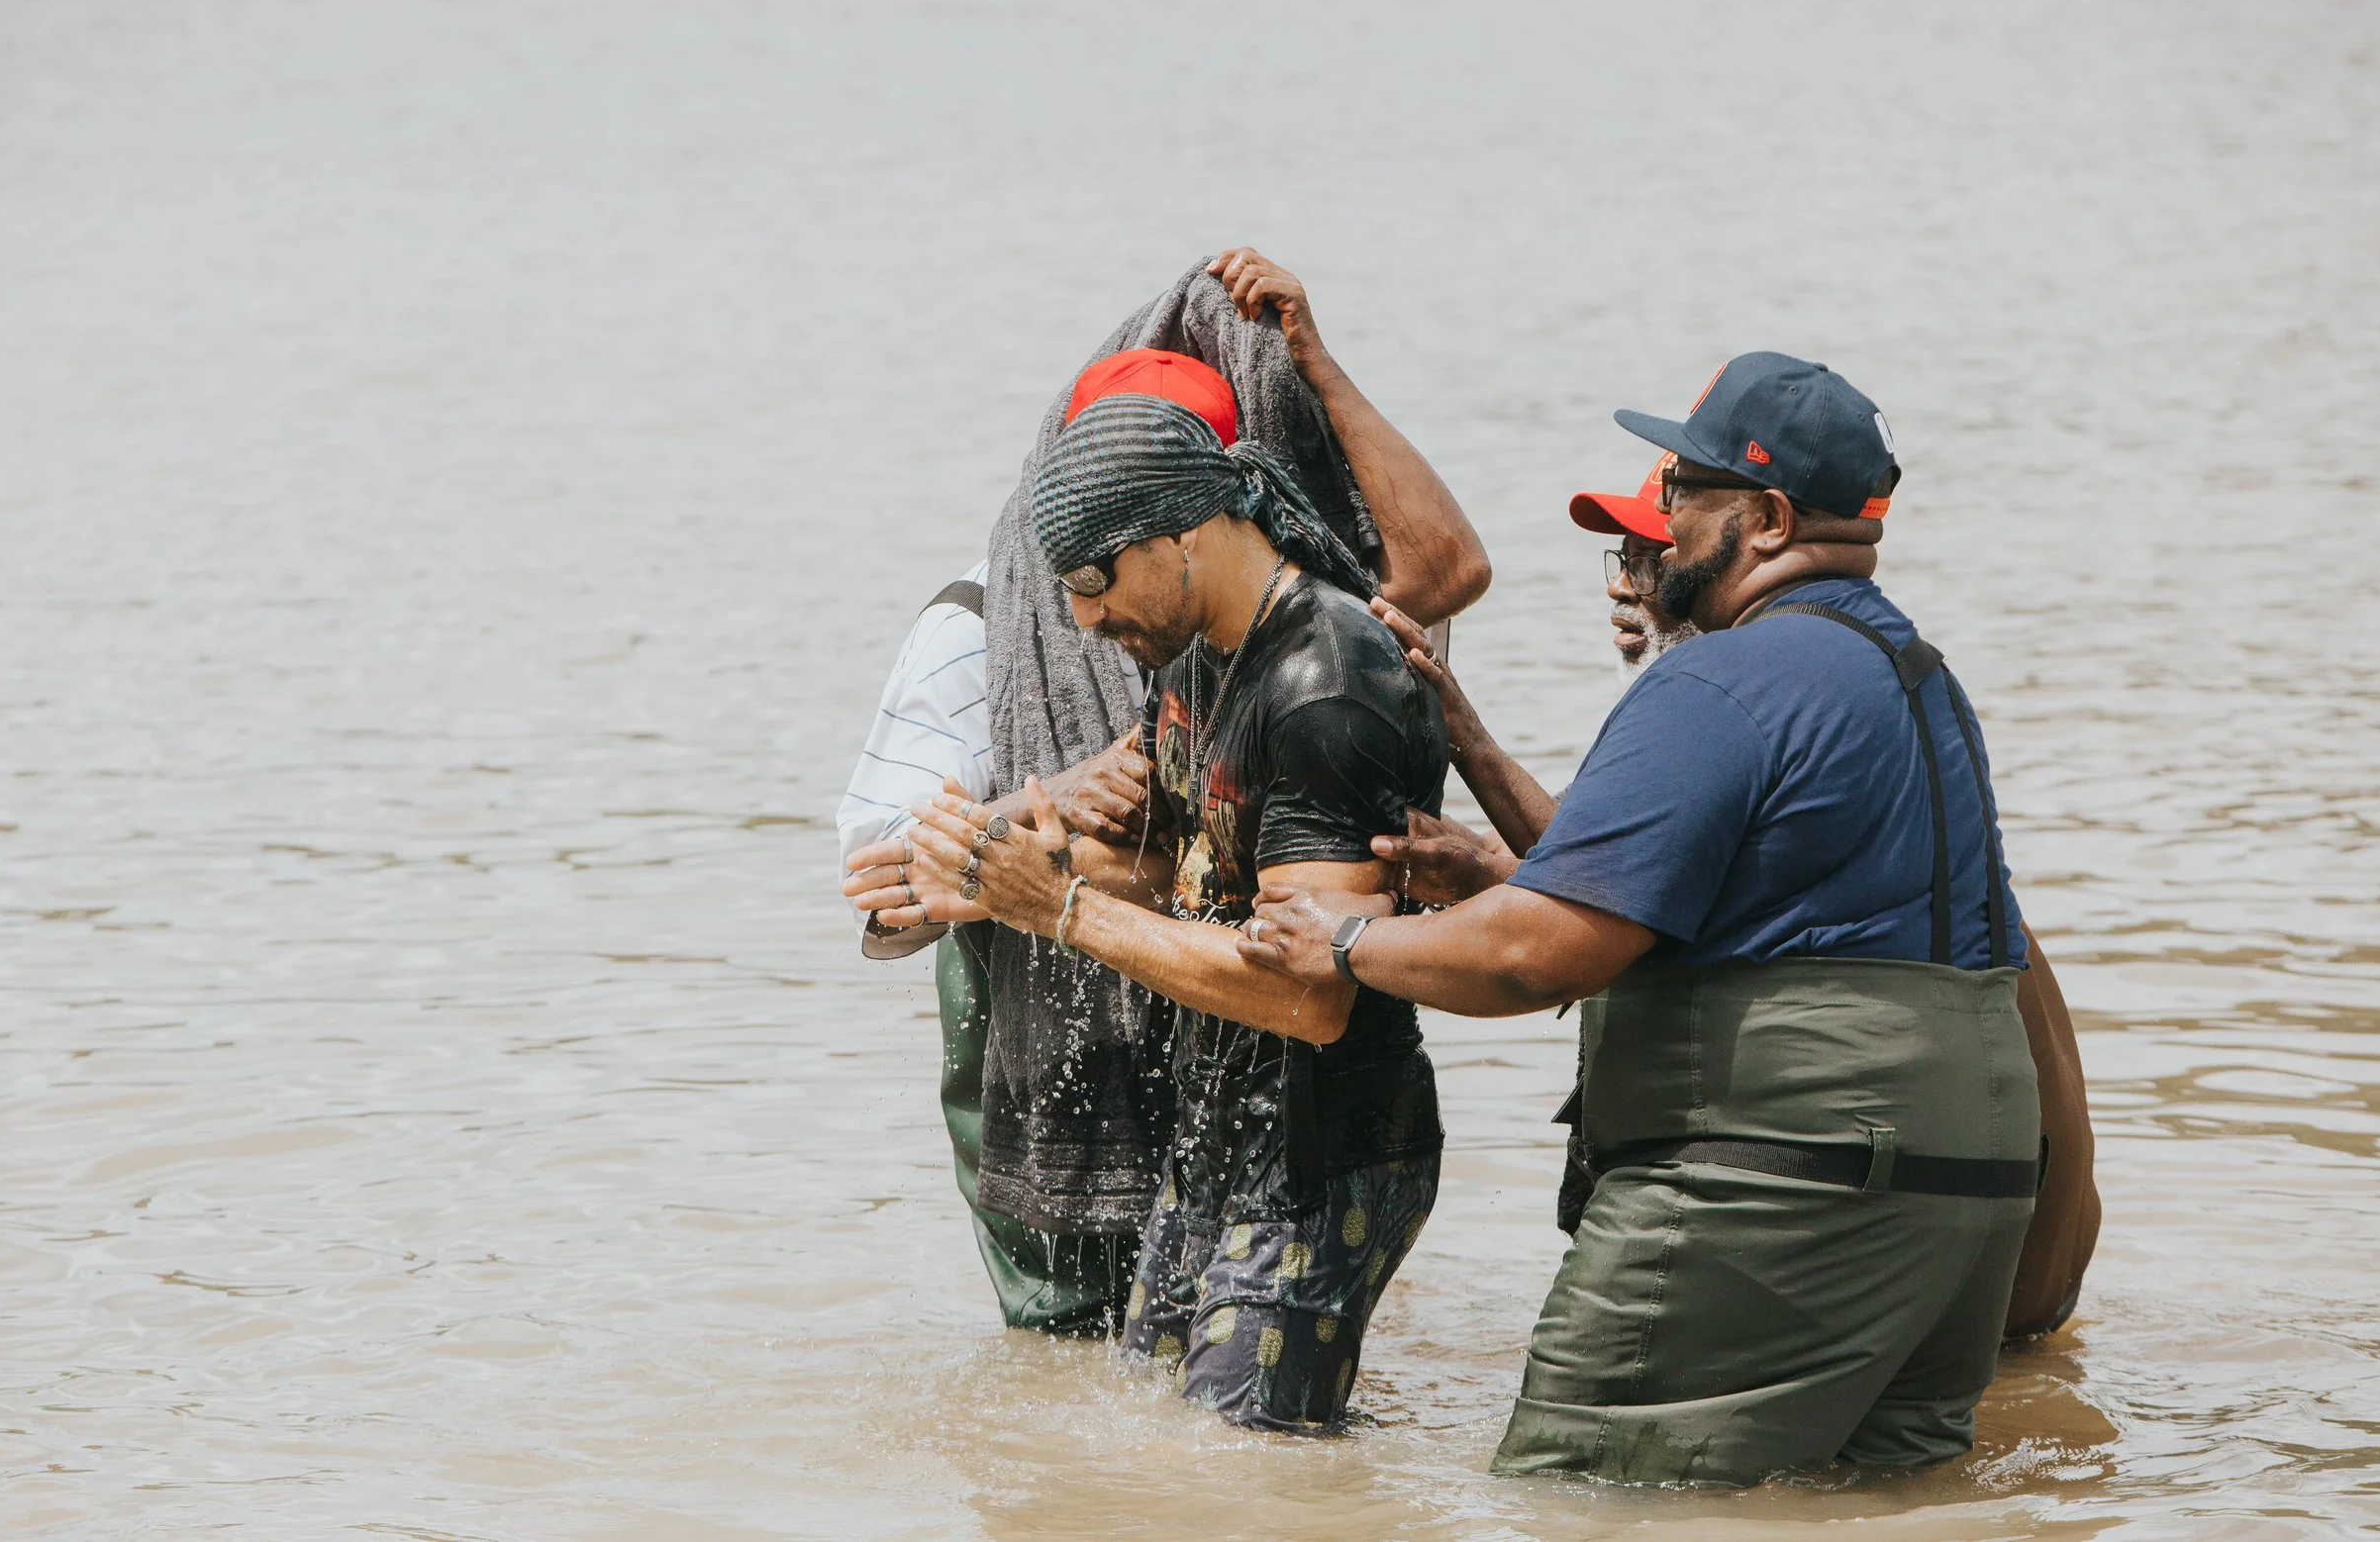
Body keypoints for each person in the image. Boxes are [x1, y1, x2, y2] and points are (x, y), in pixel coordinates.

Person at [1240, 353, 2045, 1484]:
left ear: (1762, 517)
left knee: (1590, 1494)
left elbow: (1538, 952)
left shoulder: (1722, 681)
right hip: (1970, 1183)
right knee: (1862, 1504)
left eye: (1684, 494)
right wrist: (1464, 736)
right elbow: (1680, 885)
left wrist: (1341, 940)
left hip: (1777, 1177)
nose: (1658, 517)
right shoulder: (1910, 672)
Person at [836, 250, 1488, 1337]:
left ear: (1188, 521)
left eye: (1096, 580)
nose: (1082, 618)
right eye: (1065, 584)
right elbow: (1163, 860)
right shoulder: (1168, 662)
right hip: (1192, 1111)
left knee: (1244, 1460)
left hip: (1307, 1130)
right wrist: (1004, 853)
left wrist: (1057, 903)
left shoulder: (1319, 669)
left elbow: (1307, 989)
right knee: (1150, 1437)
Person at [1373, 456, 2100, 1342]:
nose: (1628, 592)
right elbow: (1661, 889)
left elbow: (1586, 931)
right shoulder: (1864, 738)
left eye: (1653, 559)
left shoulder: (1735, 694)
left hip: (1956, 1261)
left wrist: (1341, 941)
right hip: (1989, 1246)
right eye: (1622, 564)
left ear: (1734, 559)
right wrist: (1484, 805)